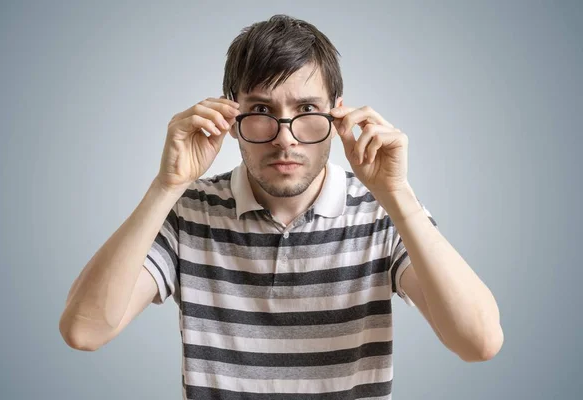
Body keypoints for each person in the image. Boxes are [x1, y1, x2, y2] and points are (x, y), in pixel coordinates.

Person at [59, 14, 503, 399]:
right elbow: (84, 331)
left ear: (338, 116)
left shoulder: (382, 212)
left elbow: (478, 343)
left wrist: (398, 195)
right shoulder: (187, 211)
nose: (285, 137)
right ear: (230, 118)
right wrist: (166, 184)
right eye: (261, 109)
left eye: (307, 107)